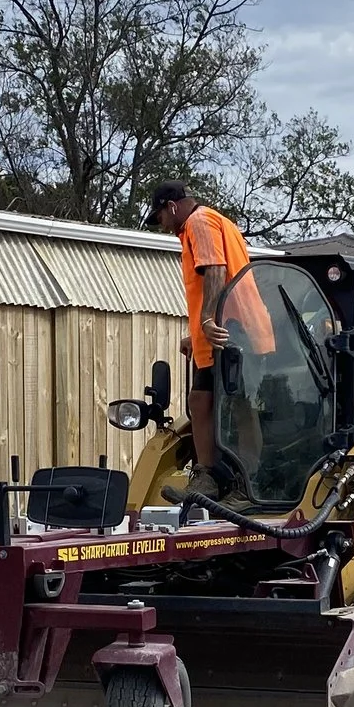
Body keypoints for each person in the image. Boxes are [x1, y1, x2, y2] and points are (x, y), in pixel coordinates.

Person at [146, 184, 273, 493]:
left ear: (172, 207)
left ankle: (244, 481)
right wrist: (197, 332)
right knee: (203, 401)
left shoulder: (199, 222)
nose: (162, 224)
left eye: (160, 216)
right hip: (231, 326)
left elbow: (215, 270)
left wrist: (207, 320)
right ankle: (211, 476)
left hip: (231, 329)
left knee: (236, 405)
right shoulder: (215, 222)